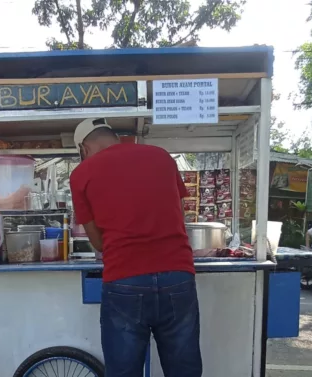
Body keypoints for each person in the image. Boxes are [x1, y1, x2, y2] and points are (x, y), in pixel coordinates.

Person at [69, 118, 202, 377]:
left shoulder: (82, 174)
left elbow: (98, 242)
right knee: (184, 370)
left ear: (84, 148)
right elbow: (180, 215)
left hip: (124, 280)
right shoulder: (162, 157)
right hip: (177, 274)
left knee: (124, 372)